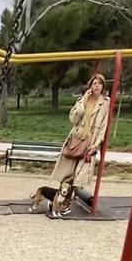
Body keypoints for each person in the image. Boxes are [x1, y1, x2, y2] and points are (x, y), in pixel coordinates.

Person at [49, 73, 110, 215]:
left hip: (90, 141)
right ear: (90, 86)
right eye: (94, 83)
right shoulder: (82, 100)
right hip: (77, 139)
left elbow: (104, 125)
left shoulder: (105, 102)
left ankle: (65, 202)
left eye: (100, 83)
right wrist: (83, 101)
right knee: (68, 174)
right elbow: (73, 119)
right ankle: (60, 202)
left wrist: (98, 142)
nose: (97, 86)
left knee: (79, 176)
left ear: (103, 86)